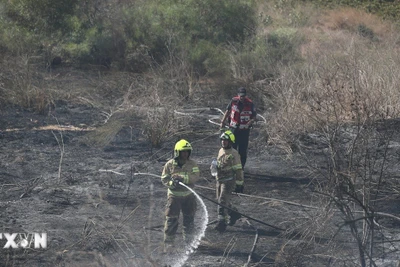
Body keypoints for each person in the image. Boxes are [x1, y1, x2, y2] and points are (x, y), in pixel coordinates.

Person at [161, 139, 200, 252]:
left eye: (187, 152)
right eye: (183, 152)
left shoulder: (192, 164)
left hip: (189, 196)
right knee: (171, 220)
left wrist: (183, 178)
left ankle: (189, 243)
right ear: (177, 152)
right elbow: (164, 178)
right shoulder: (169, 165)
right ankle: (168, 245)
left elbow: (195, 176)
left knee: (189, 220)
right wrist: (172, 183)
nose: (185, 154)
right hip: (174, 197)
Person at [213, 130, 244, 232]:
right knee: (221, 200)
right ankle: (234, 213)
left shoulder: (234, 154)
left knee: (222, 201)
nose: (223, 142)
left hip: (229, 181)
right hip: (219, 180)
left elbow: (238, 169)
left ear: (230, 142)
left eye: (226, 140)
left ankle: (221, 223)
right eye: (222, 140)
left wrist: (239, 183)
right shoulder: (221, 151)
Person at [220, 87, 257, 169]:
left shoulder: (250, 104)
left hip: (244, 130)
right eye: (241, 96)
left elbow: (254, 116)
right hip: (233, 129)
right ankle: (232, 166)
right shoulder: (233, 101)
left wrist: (251, 121)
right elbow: (228, 111)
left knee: (243, 151)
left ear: (245, 95)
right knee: (232, 148)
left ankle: (241, 168)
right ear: (238, 95)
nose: (242, 98)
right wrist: (222, 121)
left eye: (243, 96)